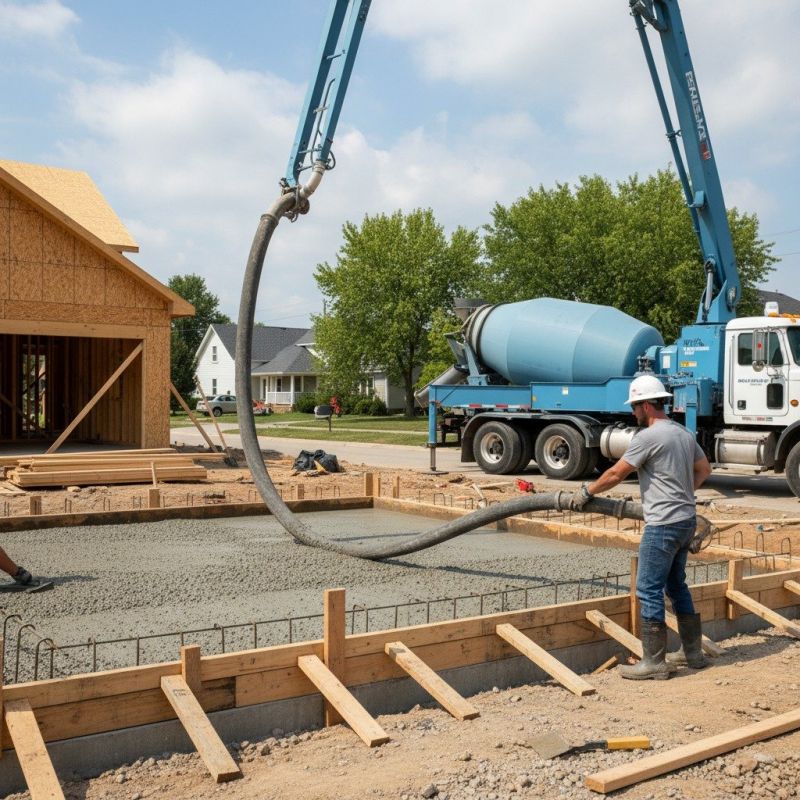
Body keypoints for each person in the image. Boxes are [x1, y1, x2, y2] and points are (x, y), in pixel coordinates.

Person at [571, 374, 712, 680]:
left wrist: (586, 492)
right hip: (686, 520)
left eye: (635, 406)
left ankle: (654, 663)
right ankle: (694, 655)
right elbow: (704, 469)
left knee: (648, 589)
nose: (633, 412)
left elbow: (616, 473)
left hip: (662, 524)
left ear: (647, 405)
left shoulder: (647, 438)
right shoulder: (683, 433)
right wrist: (683, 493)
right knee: (676, 585)